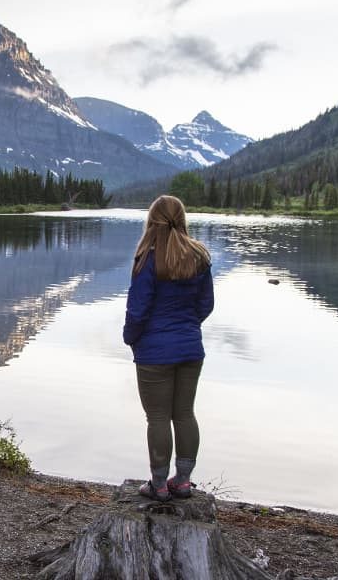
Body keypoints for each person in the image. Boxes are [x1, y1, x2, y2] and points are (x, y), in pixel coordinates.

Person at [123, 195, 214, 502]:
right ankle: (184, 482)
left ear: (152, 221)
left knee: (158, 418)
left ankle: (159, 484)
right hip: (190, 349)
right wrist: (187, 327)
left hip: (154, 352)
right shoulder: (199, 257)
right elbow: (205, 305)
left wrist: (131, 338)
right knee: (185, 414)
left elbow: (138, 310)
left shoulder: (147, 259)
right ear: (182, 218)